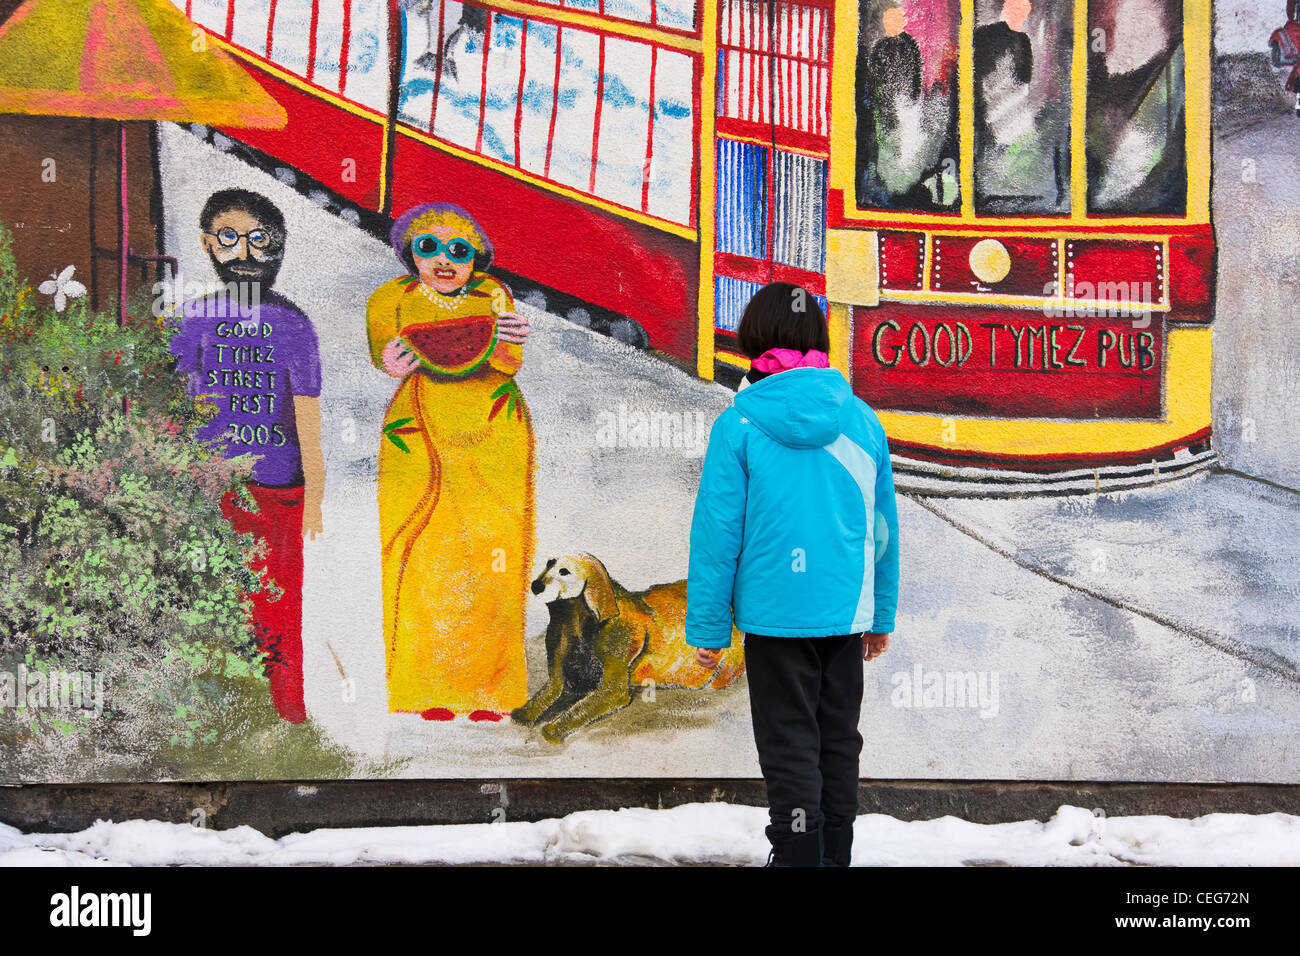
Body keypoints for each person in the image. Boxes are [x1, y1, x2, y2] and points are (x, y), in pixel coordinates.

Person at [685, 283, 900, 867]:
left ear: (754, 341)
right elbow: (883, 532)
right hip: (844, 614)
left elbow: (715, 537)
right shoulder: (863, 421)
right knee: (838, 742)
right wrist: (879, 616)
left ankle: (798, 857)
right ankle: (833, 857)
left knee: (789, 746)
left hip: (775, 619)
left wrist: (707, 628)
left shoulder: (739, 426)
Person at [365, 203, 533, 721]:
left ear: (476, 258)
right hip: (415, 435)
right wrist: (392, 361)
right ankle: (423, 688)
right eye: (428, 247)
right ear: (408, 252)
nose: (443, 259)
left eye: (458, 250)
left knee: (494, 554)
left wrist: (507, 343)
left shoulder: (494, 296)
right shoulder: (390, 298)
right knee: (417, 555)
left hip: (493, 435)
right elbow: (385, 357)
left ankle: (492, 690)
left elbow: (508, 361)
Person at [170, 188, 325, 724]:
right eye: (230, 239)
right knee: (207, 605)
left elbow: (307, 413)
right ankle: (215, 718)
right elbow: (169, 405)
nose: (244, 253)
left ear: (277, 247)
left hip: (279, 486)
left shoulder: (295, 324)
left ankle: (285, 714)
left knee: (278, 608)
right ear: (208, 244)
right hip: (204, 489)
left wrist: (318, 495)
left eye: (259, 240)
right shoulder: (188, 318)